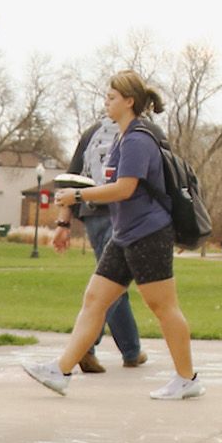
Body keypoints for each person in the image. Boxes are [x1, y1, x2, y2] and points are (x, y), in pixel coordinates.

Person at [22, 72, 202, 401]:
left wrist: (78, 198)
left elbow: (125, 188)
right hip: (125, 235)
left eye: (112, 97)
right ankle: (60, 371)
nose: (107, 102)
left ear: (129, 101)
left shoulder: (137, 140)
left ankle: (187, 378)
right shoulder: (124, 137)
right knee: (95, 299)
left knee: (163, 307)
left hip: (148, 234)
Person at [55, 112, 161, 373]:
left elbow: (72, 177)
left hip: (93, 214)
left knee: (113, 282)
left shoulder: (93, 132)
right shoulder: (143, 133)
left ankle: (131, 350)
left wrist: (63, 222)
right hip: (124, 214)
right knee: (112, 285)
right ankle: (86, 348)